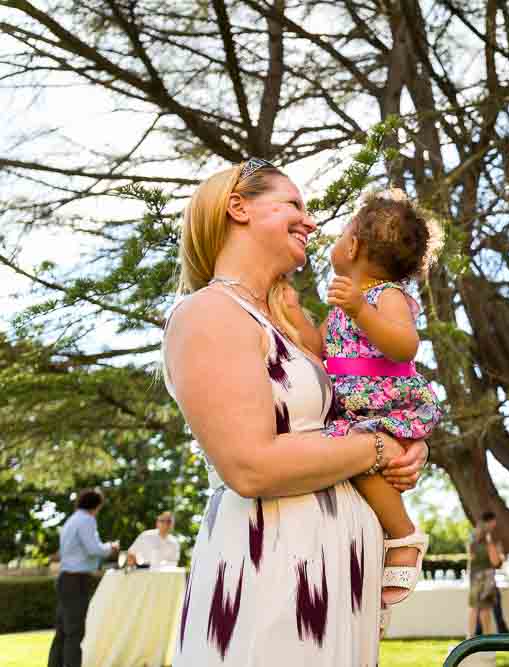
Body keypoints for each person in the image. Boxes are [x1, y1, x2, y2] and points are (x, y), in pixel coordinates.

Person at [163, 158, 428, 666]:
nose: (310, 221)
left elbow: (351, 405)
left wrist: (404, 447)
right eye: (293, 205)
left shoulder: (289, 323)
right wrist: (376, 448)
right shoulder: (210, 313)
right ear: (238, 208)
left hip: (334, 572)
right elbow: (250, 466)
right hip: (273, 572)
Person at [298, 187, 444, 605]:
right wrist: (294, 314)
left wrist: (362, 310)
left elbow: (404, 346)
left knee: (360, 460)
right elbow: (319, 350)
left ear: (354, 244)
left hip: (384, 401)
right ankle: (382, 550)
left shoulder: (386, 297)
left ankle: (404, 534)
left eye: (343, 232)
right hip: (353, 405)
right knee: (354, 462)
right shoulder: (347, 302)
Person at [48, 488, 119, 667]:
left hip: (65, 579)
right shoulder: (87, 520)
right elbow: (93, 548)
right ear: (95, 505)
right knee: (75, 633)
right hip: (76, 581)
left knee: (62, 632)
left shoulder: (71, 520)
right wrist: (111, 547)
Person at [467, 511, 504, 639]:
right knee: (480, 608)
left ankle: (477, 638)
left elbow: (495, 562)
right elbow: (495, 561)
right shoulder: (483, 539)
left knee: (479, 608)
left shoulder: (479, 539)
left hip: (481, 576)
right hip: (482, 577)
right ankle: (479, 638)